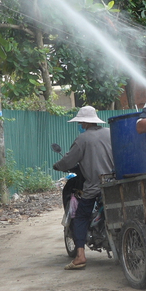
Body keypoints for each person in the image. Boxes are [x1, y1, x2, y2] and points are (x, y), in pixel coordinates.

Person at [53, 106, 114, 270]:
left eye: (80, 121)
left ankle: (80, 256)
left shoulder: (83, 139)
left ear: (85, 122)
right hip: (115, 182)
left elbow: (68, 161)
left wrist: (57, 166)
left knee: (80, 216)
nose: (80, 123)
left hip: (96, 185)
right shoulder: (110, 133)